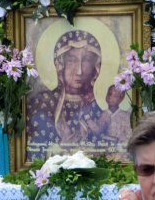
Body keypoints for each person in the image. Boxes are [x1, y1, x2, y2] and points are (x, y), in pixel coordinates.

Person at [26, 29, 104, 158]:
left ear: (95, 66)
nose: (79, 71)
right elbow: (31, 153)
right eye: (72, 60)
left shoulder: (97, 107)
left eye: (86, 60)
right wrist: (60, 149)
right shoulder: (41, 104)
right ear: (60, 63)